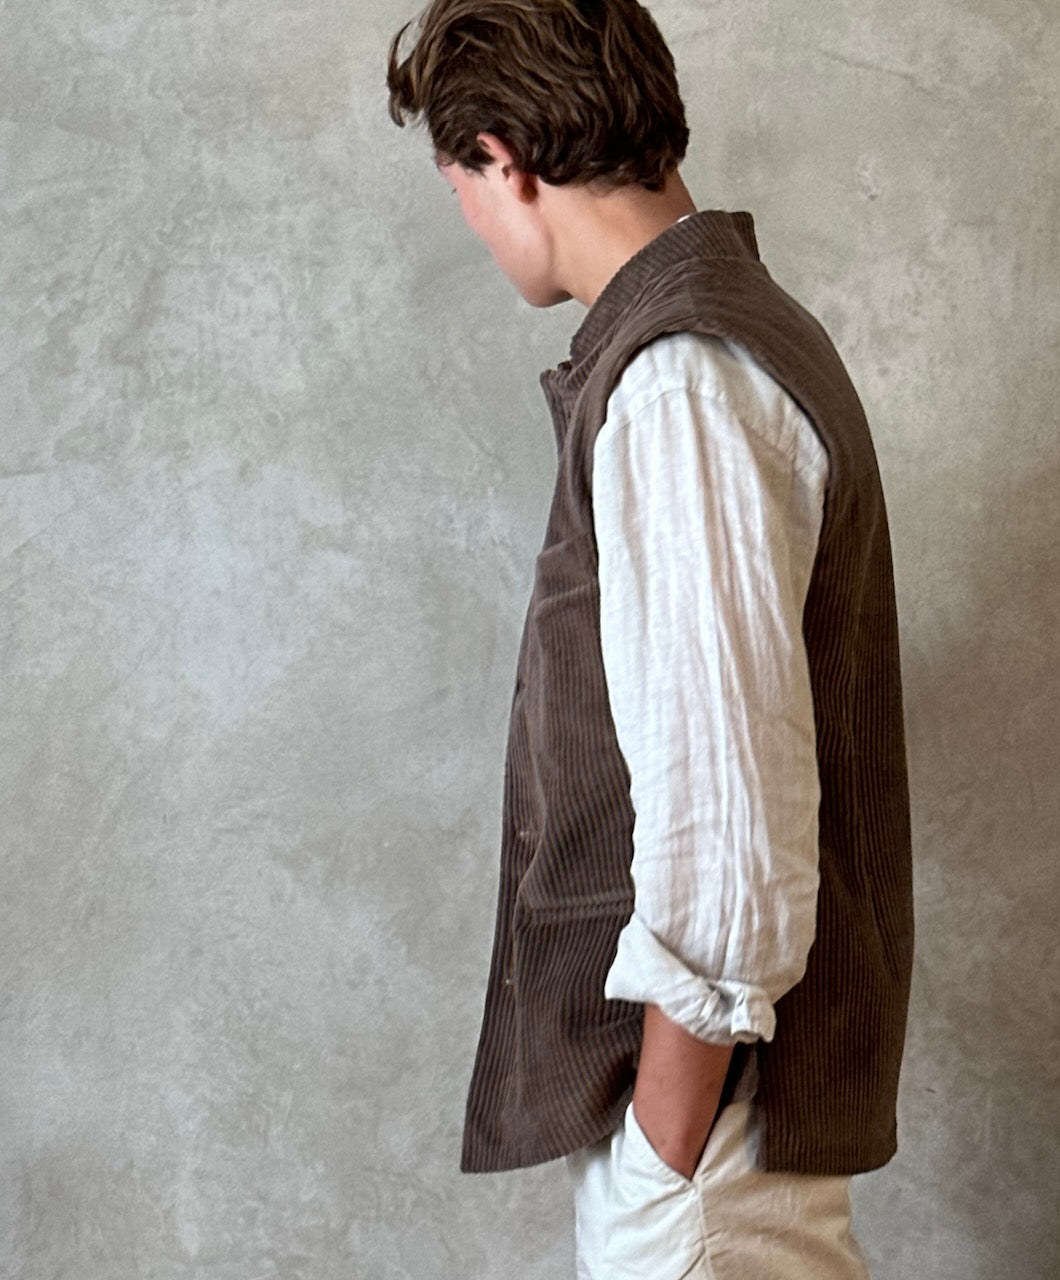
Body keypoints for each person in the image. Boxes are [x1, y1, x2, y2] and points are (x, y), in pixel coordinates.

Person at [386, 3, 914, 1275]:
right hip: (712, 1143)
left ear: (504, 158)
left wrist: (662, 1149)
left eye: (458, 187)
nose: (469, 222)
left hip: (704, 1156)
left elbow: (730, 827)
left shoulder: (681, 380)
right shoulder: (712, 341)